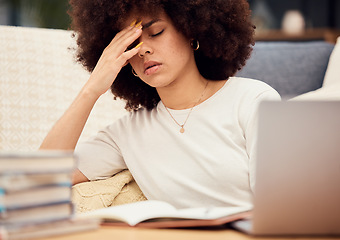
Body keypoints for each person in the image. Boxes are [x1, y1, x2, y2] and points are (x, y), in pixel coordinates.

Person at [40, 0, 281, 209]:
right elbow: (37, 182)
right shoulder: (128, 134)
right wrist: (91, 90)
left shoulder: (253, 100)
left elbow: (279, 207)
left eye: (155, 32)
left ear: (191, 30)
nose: (142, 50)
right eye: (130, 45)